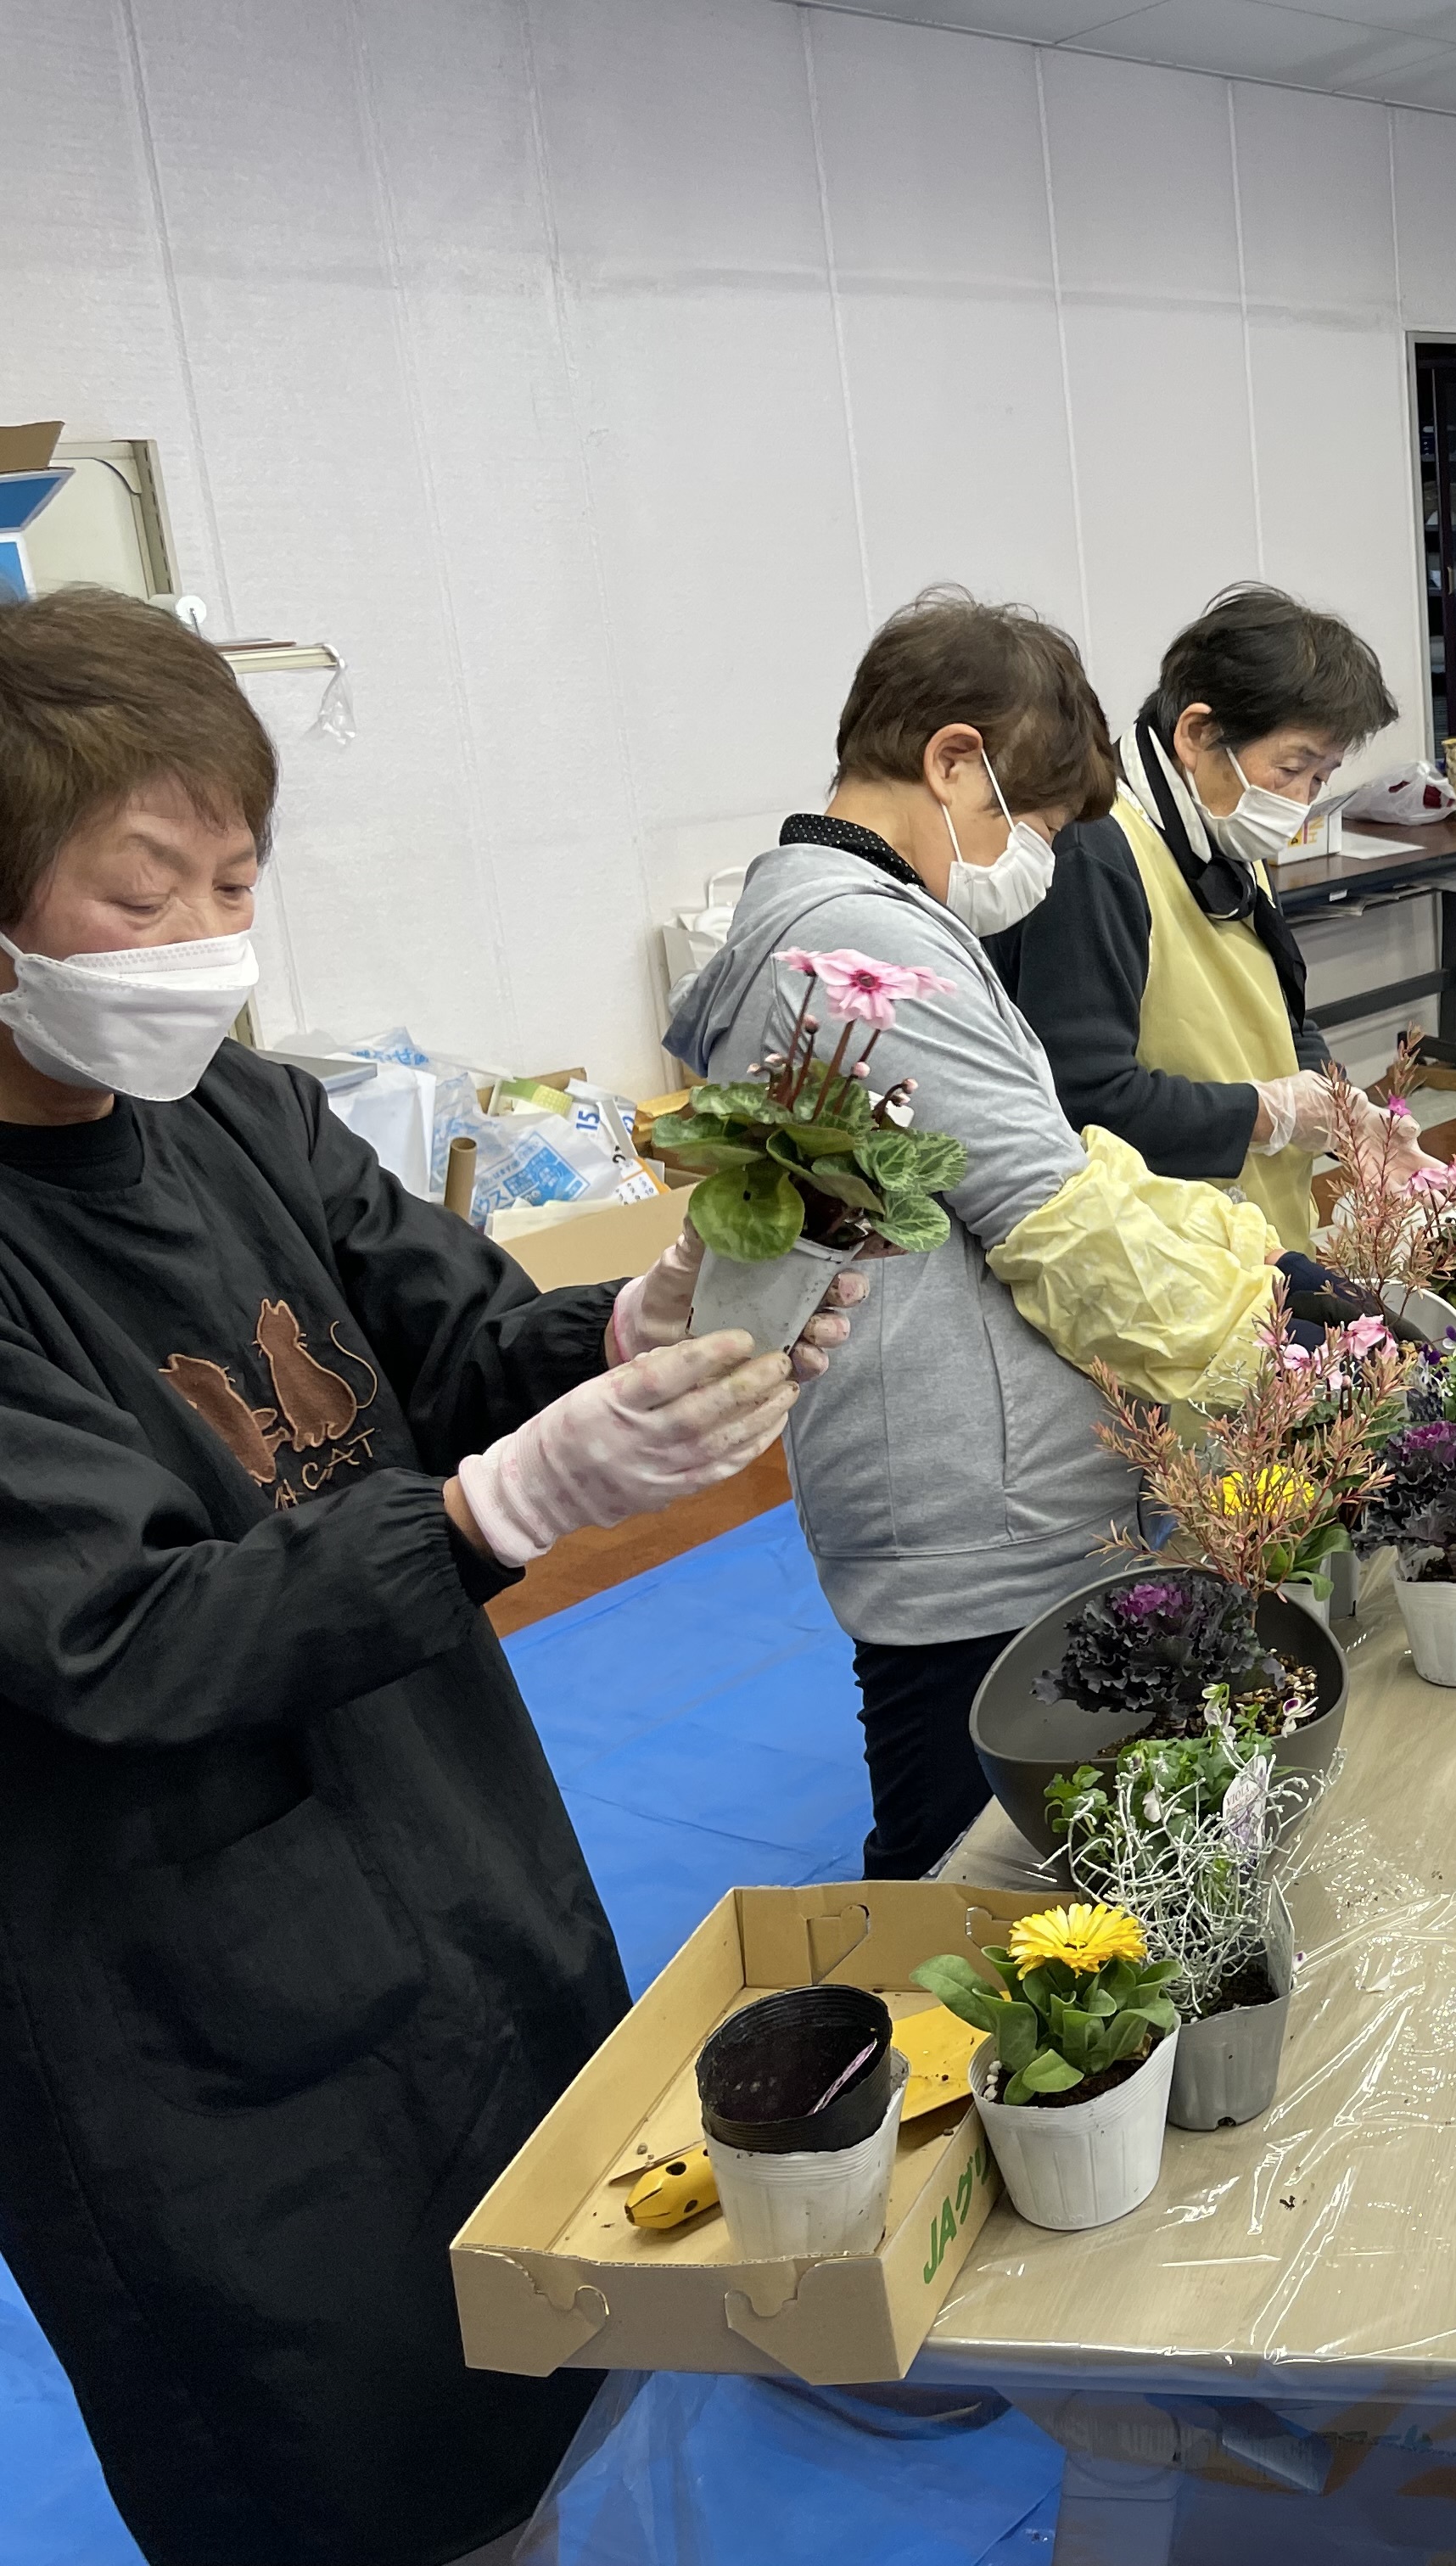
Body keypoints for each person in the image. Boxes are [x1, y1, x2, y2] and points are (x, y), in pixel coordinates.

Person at [0, 588, 853, 2565]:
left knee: (560, 2359)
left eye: (235, 880)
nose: (208, 945)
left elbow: (462, 1342)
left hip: (446, 1864)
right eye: (142, 899)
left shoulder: (230, 1109)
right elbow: (118, 1637)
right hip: (178, 2026)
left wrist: (642, 1336)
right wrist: (488, 1517)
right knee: (354, 2474)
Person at [668, 589, 1295, 1878]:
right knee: (961, 1873)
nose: (1040, 862)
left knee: (1013, 1845)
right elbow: (1055, 1219)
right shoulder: (863, 943)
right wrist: (1273, 1330)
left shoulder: (866, 929)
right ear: (953, 762)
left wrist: (1259, 1257)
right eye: (1041, 824)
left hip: (968, 1491)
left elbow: (1063, 1161)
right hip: (969, 1514)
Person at [987, 585, 1429, 1253]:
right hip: (1159, 1251)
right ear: (1197, 734)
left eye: (1323, 777)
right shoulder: (1095, 849)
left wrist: (1339, 1107)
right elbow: (1086, 1099)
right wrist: (1265, 1113)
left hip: (1254, 1235)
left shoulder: (1216, 822)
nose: (1303, 800)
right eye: (1293, 768)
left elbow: (1280, 1013)